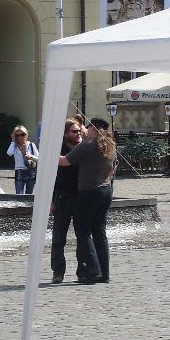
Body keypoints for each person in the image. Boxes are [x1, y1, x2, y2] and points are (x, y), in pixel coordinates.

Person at [58, 117, 117, 284]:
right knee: (100, 232)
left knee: (83, 232)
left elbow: (64, 161)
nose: (85, 130)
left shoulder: (86, 145)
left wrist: (45, 154)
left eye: (88, 127)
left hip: (88, 192)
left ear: (93, 129)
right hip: (105, 191)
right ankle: (104, 274)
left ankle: (93, 270)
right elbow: (111, 172)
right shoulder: (110, 147)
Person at [50, 118, 82, 283]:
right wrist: (50, 200)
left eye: (79, 131)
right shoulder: (58, 150)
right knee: (58, 238)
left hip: (80, 198)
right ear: (65, 134)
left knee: (82, 237)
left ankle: (82, 271)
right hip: (62, 197)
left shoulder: (83, 149)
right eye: (74, 131)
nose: (78, 134)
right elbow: (49, 177)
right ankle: (58, 272)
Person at [6, 125, 39, 194]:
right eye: (18, 135)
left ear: (26, 135)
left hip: (30, 172)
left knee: (29, 195)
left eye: (22, 134)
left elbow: (39, 159)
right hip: (19, 171)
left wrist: (31, 156)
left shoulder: (31, 145)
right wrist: (13, 141)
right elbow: (9, 153)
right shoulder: (14, 146)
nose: (20, 137)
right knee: (19, 195)